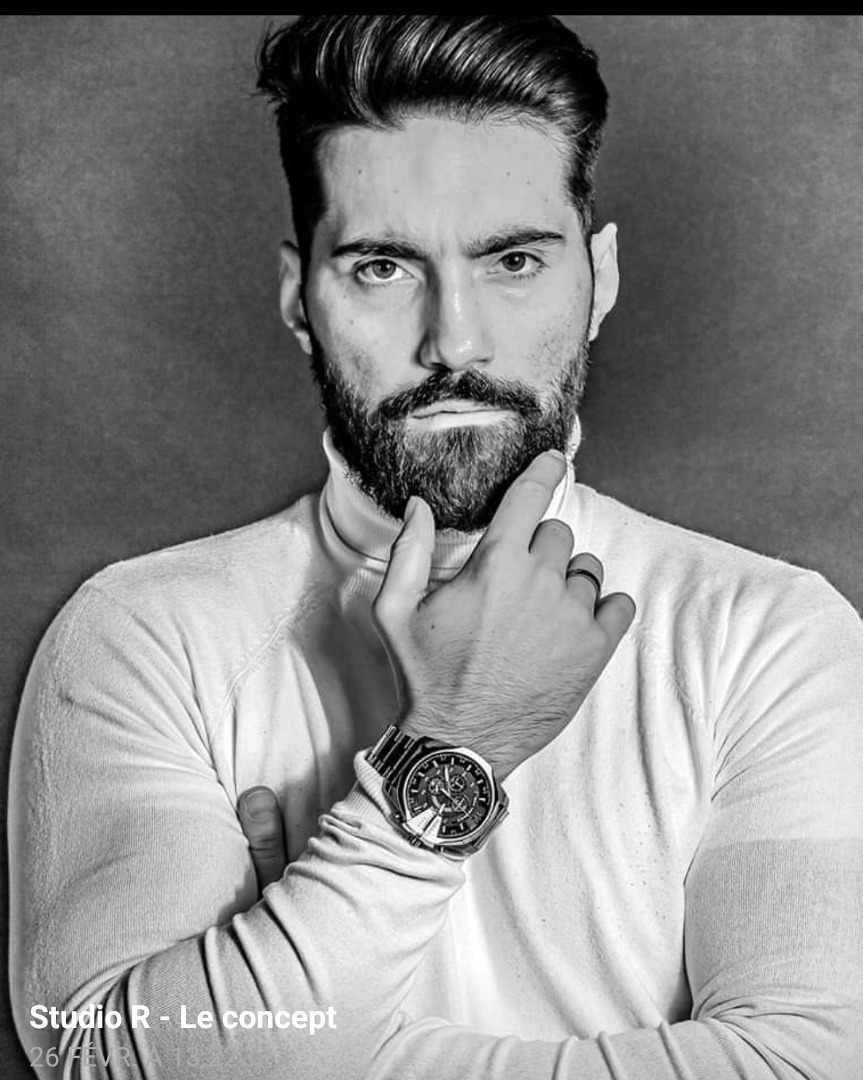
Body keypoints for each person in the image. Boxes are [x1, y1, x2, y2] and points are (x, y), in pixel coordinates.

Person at [8, 14, 863, 1080]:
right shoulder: (144, 634)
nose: (452, 340)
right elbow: (97, 1058)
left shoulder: (769, 637)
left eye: (513, 260)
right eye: (381, 267)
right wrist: (456, 744)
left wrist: (285, 1029)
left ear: (597, 279)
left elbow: (810, 1065)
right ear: (299, 299)